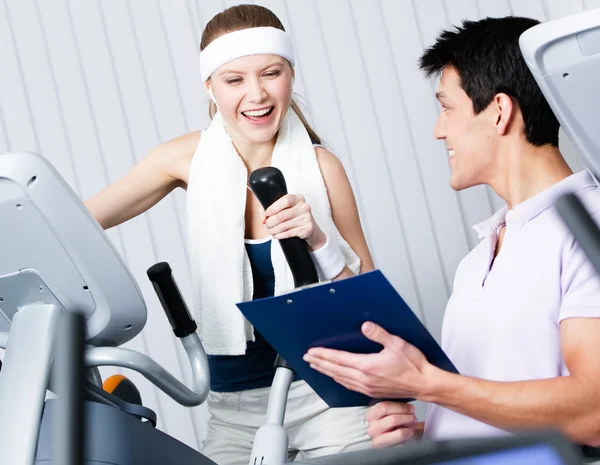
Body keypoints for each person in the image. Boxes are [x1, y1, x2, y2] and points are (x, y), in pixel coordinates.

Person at [85, 4, 374, 464]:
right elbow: (75, 219)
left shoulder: (322, 168)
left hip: (331, 392)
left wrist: (320, 240)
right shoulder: (184, 158)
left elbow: (368, 306)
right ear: (210, 87)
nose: (256, 94)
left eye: (271, 73)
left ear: (290, 75)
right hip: (235, 405)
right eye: (234, 79)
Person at [303, 16, 600, 448]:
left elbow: (593, 412)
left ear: (499, 111)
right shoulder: (478, 259)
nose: (438, 130)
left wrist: (429, 385)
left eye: (447, 108)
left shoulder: (587, 225)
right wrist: (426, 433)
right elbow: (498, 410)